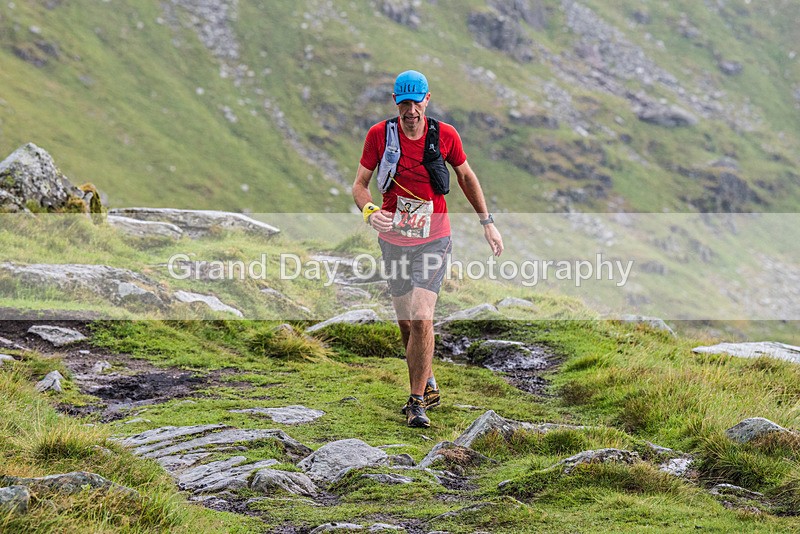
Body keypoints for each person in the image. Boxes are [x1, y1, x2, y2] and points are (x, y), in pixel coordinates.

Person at [352, 70, 503, 428]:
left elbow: (466, 177)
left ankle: (416, 401)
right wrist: (370, 212)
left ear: (427, 100)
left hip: (435, 237)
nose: (411, 111)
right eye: (404, 104)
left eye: (416, 103)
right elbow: (359, 185)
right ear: (396, 103)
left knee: (422, 315)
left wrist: (487, 222)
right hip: (393, 240)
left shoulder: (445, 136)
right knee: (406, 324)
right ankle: (427, 375)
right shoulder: (379, 136)